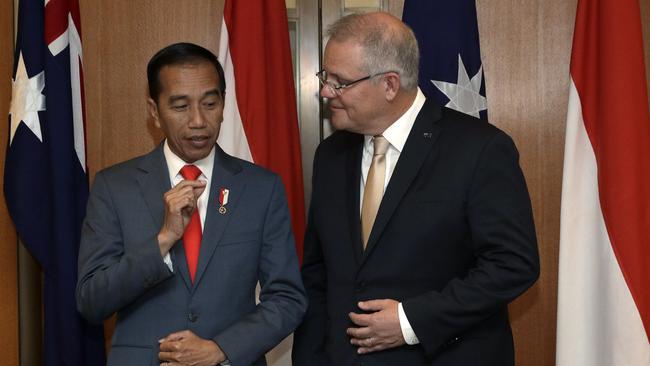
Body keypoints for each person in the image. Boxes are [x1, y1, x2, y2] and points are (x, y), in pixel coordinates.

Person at [292, 12, 539, 366]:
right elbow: (317, 276)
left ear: (390, 84)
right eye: (325, 77)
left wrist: (410, 321)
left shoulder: (479, 149)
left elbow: (514, 264)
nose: (326, 91)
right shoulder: (330, 156)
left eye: (340, 82)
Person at [76, 42, 307, 366]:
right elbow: (92, 301)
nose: (198, 120)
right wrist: (163, 241)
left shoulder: (261, 189)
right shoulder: (115, 187)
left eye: (210, 103)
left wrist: (221, 349)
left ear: (224, 104)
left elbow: (287, 298)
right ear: (154, 111)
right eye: (181, 106)